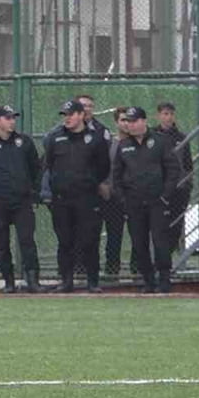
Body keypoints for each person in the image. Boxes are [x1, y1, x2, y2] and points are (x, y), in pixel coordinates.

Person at [43, 99, 110, 293]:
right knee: (65, 241)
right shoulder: (55, 139)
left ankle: (92, 281)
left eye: (71, 114)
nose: (67, 119)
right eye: (64, 115)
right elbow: (49, 165)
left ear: (81, 115)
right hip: (62, 199)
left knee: (89, 240)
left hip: (87, 199)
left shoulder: (96, 138)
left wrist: (89, 183)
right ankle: (66, 281)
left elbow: (103, 167)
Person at [112, 107, 181, 294]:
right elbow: (116, 175)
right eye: (127, 121)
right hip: (134, 203)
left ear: (144, 121)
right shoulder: (124, 145)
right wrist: (123, 199)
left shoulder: (160, 142)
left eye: (134, 121)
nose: (130, 125)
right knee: (138, 243)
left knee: (160, 241)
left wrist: (165, 195)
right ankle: (148, 280)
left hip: (157, 201)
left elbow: (173, 170)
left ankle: (164, 279)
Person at [0, 104, 40, 294]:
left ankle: (32, 280)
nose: (12, 121)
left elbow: (35, 168)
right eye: (8, 118)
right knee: (1, 243)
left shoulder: (24, 142)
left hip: (22, 201)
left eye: (13, 118)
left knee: (27, 241)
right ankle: (9, 281)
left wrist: (30, 191)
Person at [80, 94, 124, 276]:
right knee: (86, 235)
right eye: (83, 106)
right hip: (83, 193)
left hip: (106, 192)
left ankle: (112, 271)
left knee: (114, 234)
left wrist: (103, 184)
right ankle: (84, 271)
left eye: (90, 105)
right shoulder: (63, 132)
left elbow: (105, 162)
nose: (87, 109)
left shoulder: (101, 131)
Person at [154, 103, 193, 252]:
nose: (168, 117)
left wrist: (187, 184)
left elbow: (188, 164)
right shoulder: (152, 135)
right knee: (158, 225)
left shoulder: (181, 137)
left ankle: (167, 261)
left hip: (178, 188)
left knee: (176, 226)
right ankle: (157, 260)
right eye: (165, 114)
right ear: (158, 116)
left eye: (171, 114)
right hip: (158, 188)